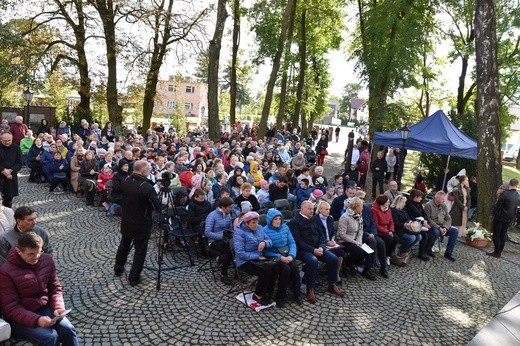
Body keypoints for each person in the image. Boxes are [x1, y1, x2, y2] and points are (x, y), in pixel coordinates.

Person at [0, 232, 79, 345]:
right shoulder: (5, 272)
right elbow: (11, 308)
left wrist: (58, 307)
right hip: (19, 318)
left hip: (45, 308)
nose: (36, 257)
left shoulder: (46, 260)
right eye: (31, 254)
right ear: (18, 251)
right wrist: (37, 320)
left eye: (39, 252)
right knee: (50, 337)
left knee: (68, 330)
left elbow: (55, 288)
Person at [113, 160, 161, 286]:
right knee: (140, 251)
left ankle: (118, 268)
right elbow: (157, 206)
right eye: (149, 170)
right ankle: (134, 278)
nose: (150, 172)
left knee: (124, 245)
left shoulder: (126, 181)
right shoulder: (146, 187)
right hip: (142, 223)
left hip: (127, 221)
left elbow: (116, 196)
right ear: (144, 171)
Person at [288, 200, 344, 304]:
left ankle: (331, 284)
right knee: (313, 261)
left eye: (313, 209)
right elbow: (298, 241)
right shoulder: (295, 222)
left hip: (317, 248)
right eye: (309, 209)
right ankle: (310, 289)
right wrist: (313, 250)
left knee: (333, 259)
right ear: (302, 209)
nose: (312, 211)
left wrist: (322, 247)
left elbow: (321, 235)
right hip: (302, 250)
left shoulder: (314, 219)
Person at [233, 212, 279, 307]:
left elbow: (270, 241)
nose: (256, 225)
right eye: (253, 223)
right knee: (266, 272)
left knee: (275, 268)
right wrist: (256, 256)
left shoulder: (259, 228)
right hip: (244, 261)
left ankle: (267, 292)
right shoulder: (239, 233)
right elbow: (240, 253)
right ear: (246, 223)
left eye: (257, 222)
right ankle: (257, 295)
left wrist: (264, 242)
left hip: (258, 258)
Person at [263, 209, 302, 306]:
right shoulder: (264, 231)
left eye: (279, 219)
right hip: (274, 256)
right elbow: (265, 251)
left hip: (287, 254)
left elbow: (292, 243)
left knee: (294, 267)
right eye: (275, 219)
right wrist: (280, 257)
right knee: (286, 269)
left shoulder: (285, 227)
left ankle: (297, 294)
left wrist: (291, 255)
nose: (278, 221)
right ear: (270, 220)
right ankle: (280, 297)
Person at [337, 197, 377, 280]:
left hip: (355, 239)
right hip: (344, 240)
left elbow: (360, 231)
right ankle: (348, 263)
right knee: (359, 250)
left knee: (371, 246)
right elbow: (342, 235)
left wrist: (359, 241)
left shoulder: (359, 215)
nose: (363, 208)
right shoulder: (345, 217)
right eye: (361, 206)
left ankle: (367, 269)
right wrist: (356, 243)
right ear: (356, 207)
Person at [312, 201, 344, 285]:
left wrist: (333, 239)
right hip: (321, 245)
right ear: (320, 210)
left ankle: (336, 274)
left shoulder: (330, 218)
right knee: (333, 256)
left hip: (330, 243)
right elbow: (317, 236)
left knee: (340, 252)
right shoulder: (315, 220)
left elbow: (333, 231)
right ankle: (331, 278)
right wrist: (327, 242)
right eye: (326, 209)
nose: (328, 211)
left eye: (329, 209)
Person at [204, 196, 234, 285]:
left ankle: (237, 271)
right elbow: (207, 233)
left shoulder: (228, 214)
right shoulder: (212, 215)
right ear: (223, 207)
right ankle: (223, 274)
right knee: (230, 252)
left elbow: (230, 229)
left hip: (226, 240)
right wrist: (222, 237)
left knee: (237, 247)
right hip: (214, 241)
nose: (231, 209)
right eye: (229, 207)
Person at [488, 178, 520, 258]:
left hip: (500, 217)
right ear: (517, 185)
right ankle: (499, 251)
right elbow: (516, 207)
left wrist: (493, 214)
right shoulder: (517, 195)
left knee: (496, 234)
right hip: (510, 217)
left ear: (509, 184)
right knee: (502, 234)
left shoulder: (505, 194)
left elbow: (497, 206)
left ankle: (497, 251)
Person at [424, 191, 459, 261]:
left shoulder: (444, 205)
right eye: (442, 199)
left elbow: (448, 218)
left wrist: (445, 227)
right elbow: (428, 219)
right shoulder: (428, 205)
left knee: (455, 231)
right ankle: (428, 249)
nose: (444, 200)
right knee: (436, 232)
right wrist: (439, 228)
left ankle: (448, 253)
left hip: (443, 226)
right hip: (433, 226)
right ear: (437, 198)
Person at [371, 195, 404, 267]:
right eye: (388, 202)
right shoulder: (374, 210)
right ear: (383, 203)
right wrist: (387, 232)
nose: (389, 203)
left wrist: (391, 231)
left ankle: (387, 255)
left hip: (388, 231)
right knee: (389, 238)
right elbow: (376, 225)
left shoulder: (388, 209)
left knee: (396, 238)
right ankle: (380, 256)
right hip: (379, 232)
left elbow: (391, 222)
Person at [405, 189, 434, 261]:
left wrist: (426, 221)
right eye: (420, 197)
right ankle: (421, 254)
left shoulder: (419, 204)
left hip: (422, 224)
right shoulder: (408, 204)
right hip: (414, 226)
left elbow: (424, 214)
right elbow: (409, 217)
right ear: (415, 197)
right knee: (425, 236)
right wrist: (421, 222)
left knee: (432, 233)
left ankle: (425, 251)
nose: (421, 199)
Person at [391, 195, 421, 260]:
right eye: (404, 202)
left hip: (407, 228)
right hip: (398, 230)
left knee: (419, 237)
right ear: (400, 202)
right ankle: (401, 250)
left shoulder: (403, 209)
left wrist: (409, 222)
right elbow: (396, 223)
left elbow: (408, 218)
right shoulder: (393, 211)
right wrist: (405, 224)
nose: (405, 204)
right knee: (412, 238)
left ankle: (406, 249)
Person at [0, 132, 23, 207]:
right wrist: (3, 170)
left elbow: (19, 163)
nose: (7, 142)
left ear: (12, 139)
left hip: (11, 178)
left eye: (9, 140)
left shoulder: (16, 148)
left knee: (8, 202)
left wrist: (10, 170)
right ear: (1, 139)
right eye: (5, 140)